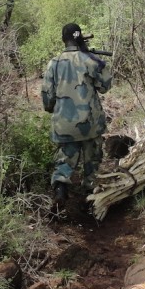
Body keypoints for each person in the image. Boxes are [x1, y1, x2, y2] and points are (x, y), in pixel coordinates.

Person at [40, 23, 113, 207]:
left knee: (64, 160)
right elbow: (105, 86)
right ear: (80, 38)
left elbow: (47, 96)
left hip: (64, 124)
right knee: (93, 160)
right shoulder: (91, 60)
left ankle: (60, 191)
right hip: (91, 123)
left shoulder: (54, 63)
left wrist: (52, 109)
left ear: (64, 39)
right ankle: (91, 194)